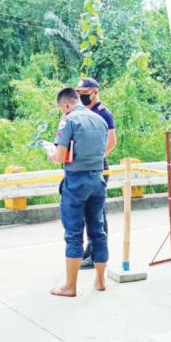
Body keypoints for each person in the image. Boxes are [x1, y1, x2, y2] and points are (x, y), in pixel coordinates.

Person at [45, 87, 108, 297]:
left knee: (73, 234)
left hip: (76, 181)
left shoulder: (68, 121)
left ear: (65, 105)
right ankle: (100, 280)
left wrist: (50, 152)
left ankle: (70, 286)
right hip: (98, 179)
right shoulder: (100, 120)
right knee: (98, 232)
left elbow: (61, 156)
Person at [75, 77, 116, 270]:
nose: (81, 97)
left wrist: (96, 159)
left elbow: (111, 142)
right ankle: (89, 248)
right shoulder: (81, 114)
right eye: (79, 94)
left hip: (98, 166)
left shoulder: (103, 114)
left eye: (85, 93)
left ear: (95, 92)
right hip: (83, 167)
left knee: (97, 211)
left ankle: (98, 253)